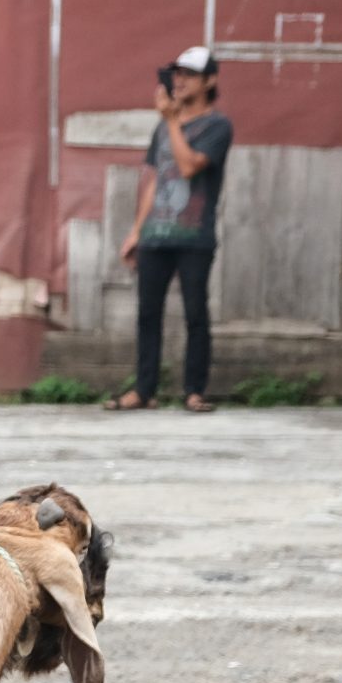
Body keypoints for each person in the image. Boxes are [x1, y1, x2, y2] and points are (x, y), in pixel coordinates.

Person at [111, 46, 233, 413]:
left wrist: (171, 122)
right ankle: (144, 390)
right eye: (176, 74)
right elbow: (155, 180)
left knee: (196, 312)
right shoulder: (163, 127)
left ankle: (194, 391)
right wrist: (136, 231)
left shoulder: (217, 126)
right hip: (156, 235)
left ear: (210, 80)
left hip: (194, 237)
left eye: (189, 74)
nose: (179, 81)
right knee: (148, 313)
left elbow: (189, 166)